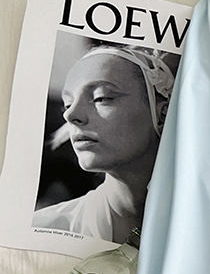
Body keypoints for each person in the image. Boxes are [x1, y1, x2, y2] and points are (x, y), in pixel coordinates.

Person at [32, 44, 175, 243]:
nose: (70, 114)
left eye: (101, 98)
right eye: (68, 103)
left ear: (162, 114)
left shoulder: (207, 229)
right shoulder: (44, 231)